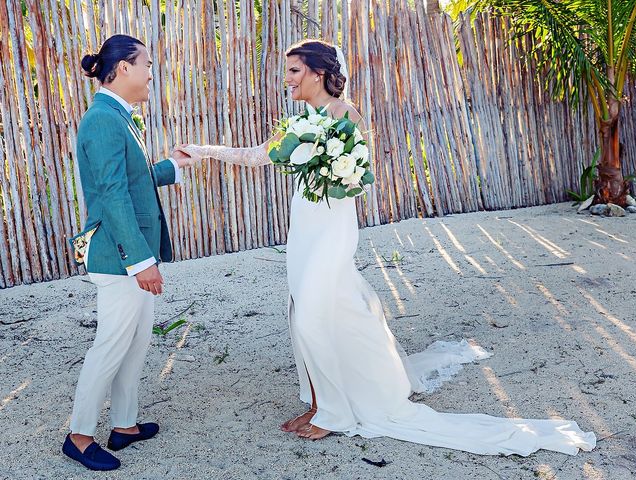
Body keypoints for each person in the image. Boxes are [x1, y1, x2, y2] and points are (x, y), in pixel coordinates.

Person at [181, 39, 596, 455]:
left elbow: (359, 177)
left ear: (318, 73)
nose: (286, 79)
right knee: (305, 314)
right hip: (304, 228)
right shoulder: (300, 120)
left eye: (293, 71)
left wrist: (338, 173)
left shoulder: (347, 116)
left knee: (310, 315)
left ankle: (337, 413)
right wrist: (200, 152)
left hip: (333, 230)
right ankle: (320, 400)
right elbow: (257, 156)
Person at [63, 34, 195, 471]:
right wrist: (141, 262)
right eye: (148, 65)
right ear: (122, 69)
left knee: (135, 343)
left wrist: (172, 167)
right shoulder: (102, 119)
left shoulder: (118, 116)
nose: (152, 73)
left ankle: (125, 425)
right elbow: (113, 193)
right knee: (111, 345)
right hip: (118, 256)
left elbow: (132, 178)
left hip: (128, 255)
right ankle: (79, 436)